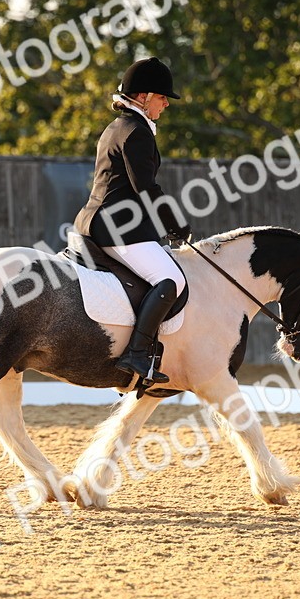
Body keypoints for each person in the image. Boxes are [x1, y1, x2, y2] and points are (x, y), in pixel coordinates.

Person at [73, 56, 191, 385]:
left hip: (94, 221)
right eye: (161, 97)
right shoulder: (137, 132)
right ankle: (137, 354)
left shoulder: (117, 127)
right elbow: (146, 188)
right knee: (171, 280)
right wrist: (175, 224)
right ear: (142, 97)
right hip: (116, 227)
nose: (166, 104)